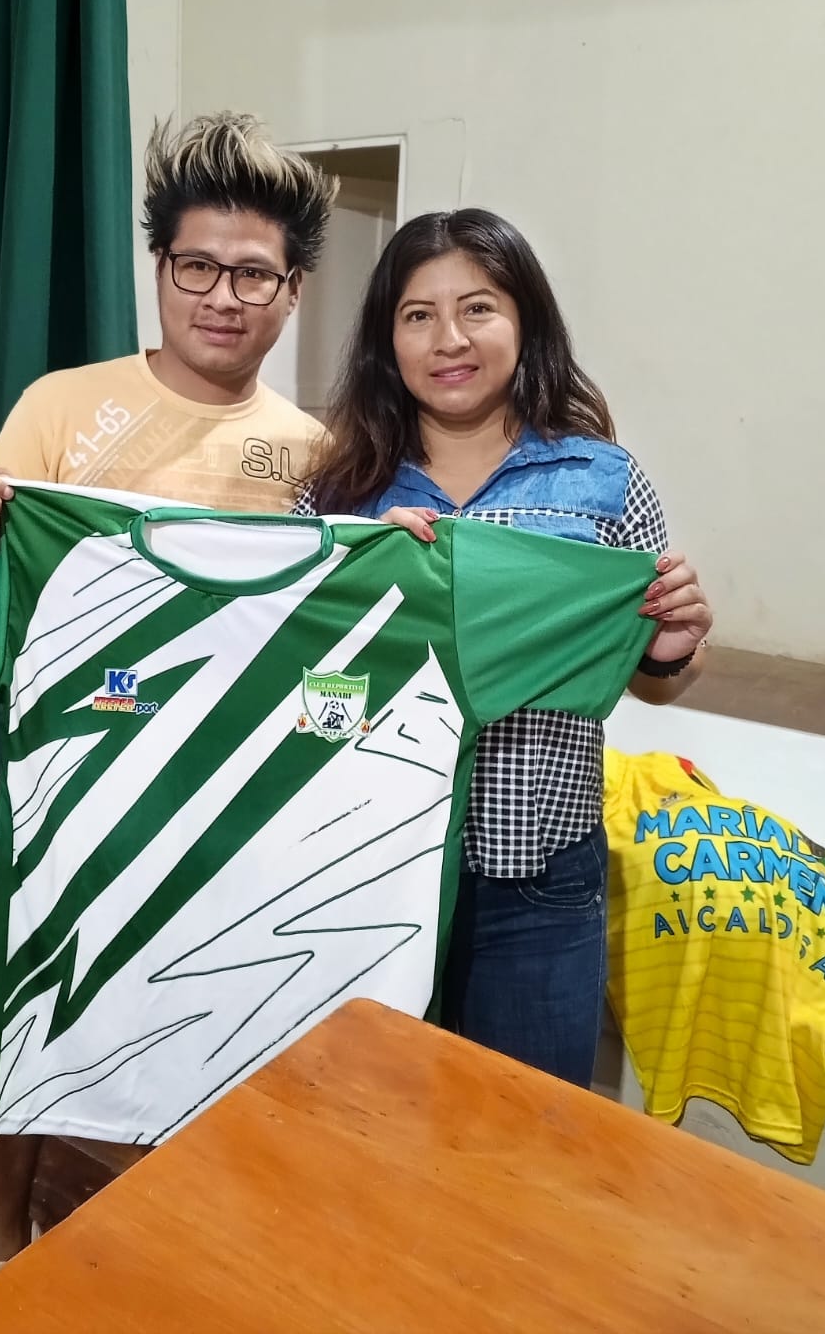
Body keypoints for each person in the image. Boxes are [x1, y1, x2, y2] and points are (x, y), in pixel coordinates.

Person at [0, 112, 337, 1296]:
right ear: (160, 267)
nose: (223, 296)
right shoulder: (65, 406)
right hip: (59, 786)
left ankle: (178, 1253)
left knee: (200, 1044)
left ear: (293, 291)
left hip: (220, 811)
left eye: (253, 274)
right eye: (196, 266)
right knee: (7, 1032)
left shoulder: (314, 453)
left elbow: (321, 632)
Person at [303, 207, 714, 1089]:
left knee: (526, 1136)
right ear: (387, 340)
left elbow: (652, 681)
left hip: (542, 884)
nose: (449, 339)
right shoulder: (338, 495)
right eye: (418, 315)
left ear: (526, 321)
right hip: (363, 870)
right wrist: (360, 580)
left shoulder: (602, 480)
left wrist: (670, 649)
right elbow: (299, 690)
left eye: (478, 308)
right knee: (364, 1123)